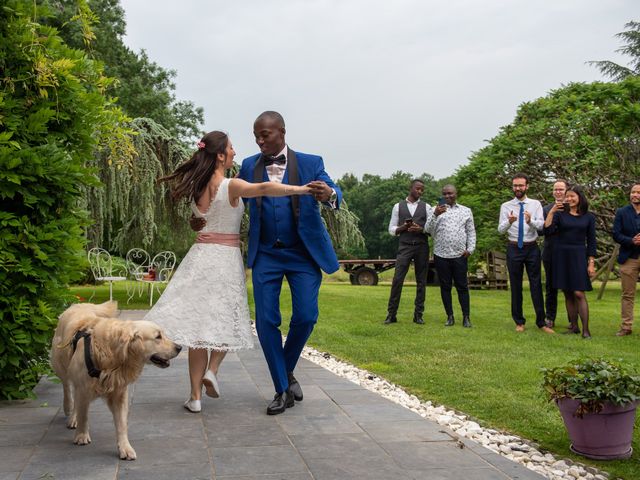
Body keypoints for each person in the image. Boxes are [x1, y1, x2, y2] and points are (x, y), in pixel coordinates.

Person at [145, 130, 312, 413]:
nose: (235, 152)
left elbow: (199, 220)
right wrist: (300, 189)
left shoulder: (197, 186)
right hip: (224, 258)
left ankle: (195, 398)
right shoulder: (231, 184)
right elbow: (264, 189)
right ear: (220, 155)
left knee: (199, 330)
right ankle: (213, 370)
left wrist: (194, 223)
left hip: (199, 257)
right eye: (231, 148)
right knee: (226, 317)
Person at [226, 111, 341, 415]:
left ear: (282, 132)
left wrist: (329, 194)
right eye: (256, 136)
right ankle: (281, 388)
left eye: (265, 135)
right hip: (266, 254)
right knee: (265, 322)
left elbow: (334, 192)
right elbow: (232, 197)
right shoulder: (249, 165)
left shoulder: (310, 162)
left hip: (303, 254)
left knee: (306, 315)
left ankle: (286, 371)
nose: (260, 141)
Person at [498, 173, 554, 333]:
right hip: (514, 247)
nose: (518, 188)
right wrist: (508, 222)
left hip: (531, 248)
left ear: (527, 186)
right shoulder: (506, 206)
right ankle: (519, 321)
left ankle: (541, 322)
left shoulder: (535, 204)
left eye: (521, 185)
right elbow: (500, 230)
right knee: (515, 286)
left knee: (536, 285)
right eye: (515, 185)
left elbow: (542, 225)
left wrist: (530, 221)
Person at [544, 186, 597, 338]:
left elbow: (592, 242)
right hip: (561, 255)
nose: (569, 199)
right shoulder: (560, 215)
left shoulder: (589, 217)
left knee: (579, 292)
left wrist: (591, 262)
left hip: (579, 255)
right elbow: (547, 230)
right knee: (567, 292)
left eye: (572, 196)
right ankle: (574, 327)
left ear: (580, 197)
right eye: (567, 196)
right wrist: (553, 211)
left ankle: (586, 330)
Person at [425, 184, 476, 327]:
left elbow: (471, 231)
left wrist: (470, 249)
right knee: (445, 287)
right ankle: (450, 316)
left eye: (450, 193)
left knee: (462, 287)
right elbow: (427, 229)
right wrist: (435, 214)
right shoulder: (434, 210)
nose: (447, 196)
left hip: (460, 255)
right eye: (444, 194)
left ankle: (466, 317)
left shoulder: (466, 211)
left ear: (456, 193)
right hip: (441, 255)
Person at [384, 179, 432, 325]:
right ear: (410, 188)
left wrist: (421, 229)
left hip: (421, 246)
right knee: (398, 280)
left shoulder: (427, 207)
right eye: (418, 189)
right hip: (404, 246)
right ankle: (391, 314)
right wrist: (403, 227)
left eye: (422, 190)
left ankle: (418, 315)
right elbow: (391, 229)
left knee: (421, 281)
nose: (420, 192)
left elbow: (431, 229)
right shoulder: (398, 206)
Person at [612, 183, 640, 336]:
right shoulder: (622, 212)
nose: (635, 195)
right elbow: (616, 234)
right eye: (633, 192)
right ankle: (626, 326)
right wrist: (631, 241)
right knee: (628, 294)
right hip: (629, 257)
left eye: (638, 192)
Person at [540, 180, 568, 329]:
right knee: (551, 287)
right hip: (550, 252)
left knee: (570, 287)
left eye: (561, 189)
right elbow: (541, 231)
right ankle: (550, 317)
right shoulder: (545, 209)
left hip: (568, 252)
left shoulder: (572, 208)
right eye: (555, 189)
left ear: (566, 191)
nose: (558, 191)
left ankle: (573, 320)